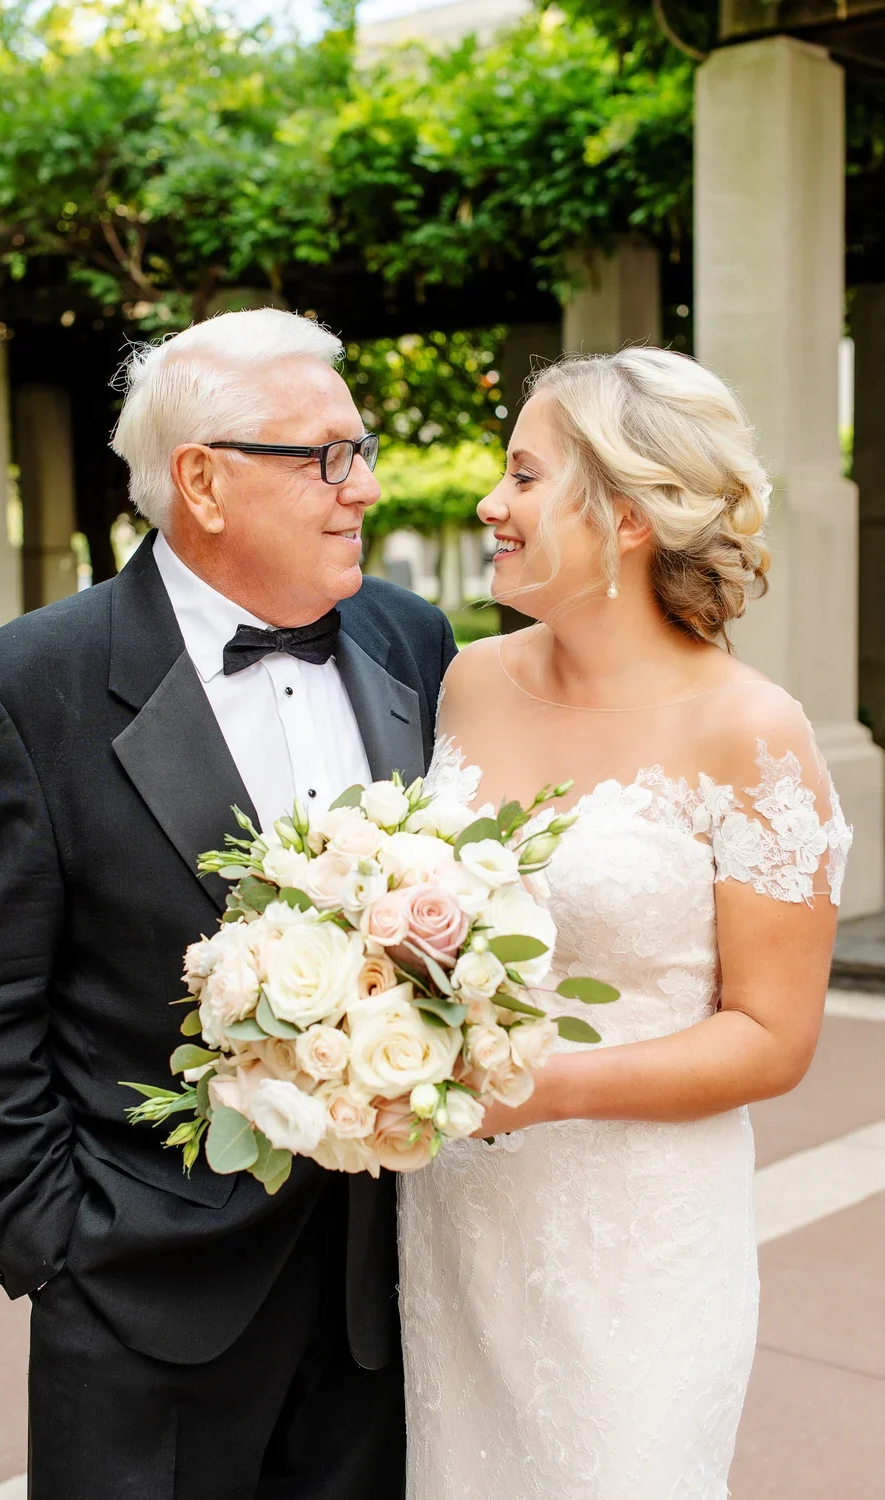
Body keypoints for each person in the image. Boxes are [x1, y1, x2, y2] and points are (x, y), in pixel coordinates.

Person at [0, 308, 455, 1500]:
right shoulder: (24, 688)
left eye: (360, 450)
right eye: (325, 456)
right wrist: (53, 1242)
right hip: (143, 1301)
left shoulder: (412, 640)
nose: (362, 486)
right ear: (202, 481)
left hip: (382, 1296)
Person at [399, 347, 850, 1499]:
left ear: (629, 516)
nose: (490, 503)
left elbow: (772, 1036)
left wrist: (537, 1088)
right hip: (459, 1219)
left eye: (524, 475)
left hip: (636, 1237)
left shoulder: (750, 730)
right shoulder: (468, 682)